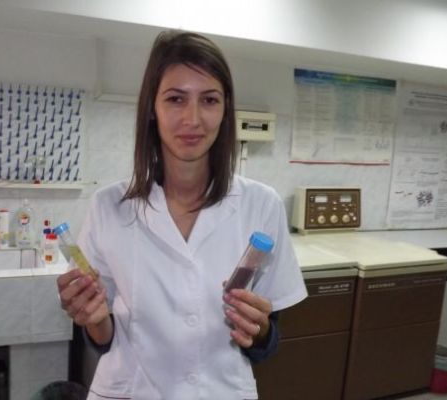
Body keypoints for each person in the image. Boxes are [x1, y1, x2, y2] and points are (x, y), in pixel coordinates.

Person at [57, 30, 307, 399]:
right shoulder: (108, 206)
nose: (192, 118)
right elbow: (103, 338)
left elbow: (267, 341)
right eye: (175, 99)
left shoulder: (261, 205)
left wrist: (259, 330)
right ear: (153, 110)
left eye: (209, 99)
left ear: (225, 110)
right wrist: (92, 320)